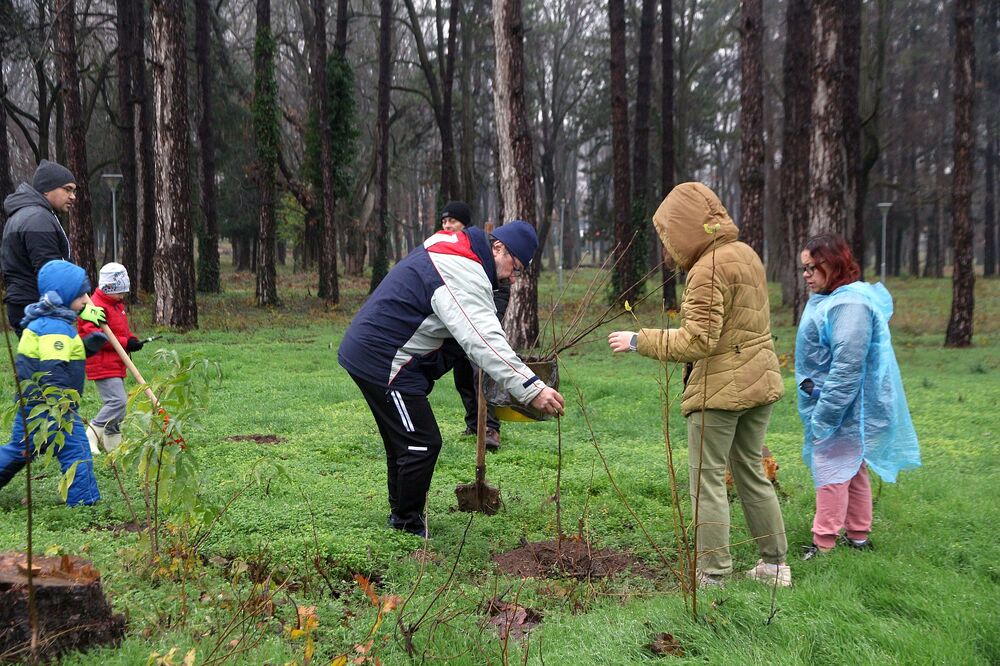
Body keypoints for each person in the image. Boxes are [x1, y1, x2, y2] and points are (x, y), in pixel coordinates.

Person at [608, 182, 790, 587]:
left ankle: (712, 574)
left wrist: (639, 340)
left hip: (720, 392)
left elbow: (699, 340)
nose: (668, 247)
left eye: (668, 235)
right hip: (760, 381)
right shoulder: (745, 255)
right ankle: (776, 566)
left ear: (685, 228)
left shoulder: (707, 269)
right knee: (751, 472)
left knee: (706, 480)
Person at [339, 220, 565, 537]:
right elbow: (482, 341)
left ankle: (402, 519)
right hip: (384, 361)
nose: (512, 278)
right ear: (497, 247)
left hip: (373, 351)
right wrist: (532, 389)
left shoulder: (457, 248)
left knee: (405, 442)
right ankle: (406, 525)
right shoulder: (464, 272)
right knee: (421, 442)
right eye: (514, 267)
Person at [796, 233, 921, 559]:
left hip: (845, 408)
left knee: (832, 470)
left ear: (833, 265)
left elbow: (847, 368)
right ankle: (859, 536)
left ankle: (823, 543)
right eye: (804, 269)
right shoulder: (837, 298)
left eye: (812, 267)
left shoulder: (848, 304)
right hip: (842, 405)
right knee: (851, 468)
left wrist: (825, 415)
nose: (806, 275)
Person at [0, 260, 107, 506]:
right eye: (81, 295)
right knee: (77, 450)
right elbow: (52, 370)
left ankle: (84, 498)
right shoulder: (54, 328)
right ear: (64, 295)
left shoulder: (49, 323)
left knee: (20, 452)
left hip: (35, 406)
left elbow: (57, 359)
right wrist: (61, 406)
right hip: (52, 407)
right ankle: (84, 502)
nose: (86, 300)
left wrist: (85, 348)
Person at [1, 160, 106, 336]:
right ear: (46, 189)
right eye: (67, 189)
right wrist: (81, 307)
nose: (73, 196)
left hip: (28, 304)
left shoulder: (32, 213)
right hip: (36, 308)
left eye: (73, 190)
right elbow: (51, 272)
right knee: (52, 362)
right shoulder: (37, 218)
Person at [439, 201, 510, 450]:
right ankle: (473, 423)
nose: (447, 225)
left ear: (464, 224)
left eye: (452, 221)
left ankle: (490, 428)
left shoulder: (483, 249)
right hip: (455, 325)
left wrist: (491, 317)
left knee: (481, 375)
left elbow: (501, 287)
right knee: (462, 378)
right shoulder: (446, 250)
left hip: (479, 323)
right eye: (444, 221)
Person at [78, 263, 145, 455]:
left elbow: (120, 331)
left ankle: (112, 442)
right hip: (101, 362)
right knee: (117, 402)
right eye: (119, 292)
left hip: (116, 362)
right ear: (108, 288)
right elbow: (96, 337)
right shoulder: (93, 307)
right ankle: (91, 435)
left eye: (124, 292)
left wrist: (131, 339)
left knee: (120, 407)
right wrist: (125, 343)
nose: (122, 296)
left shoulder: (116, 305)